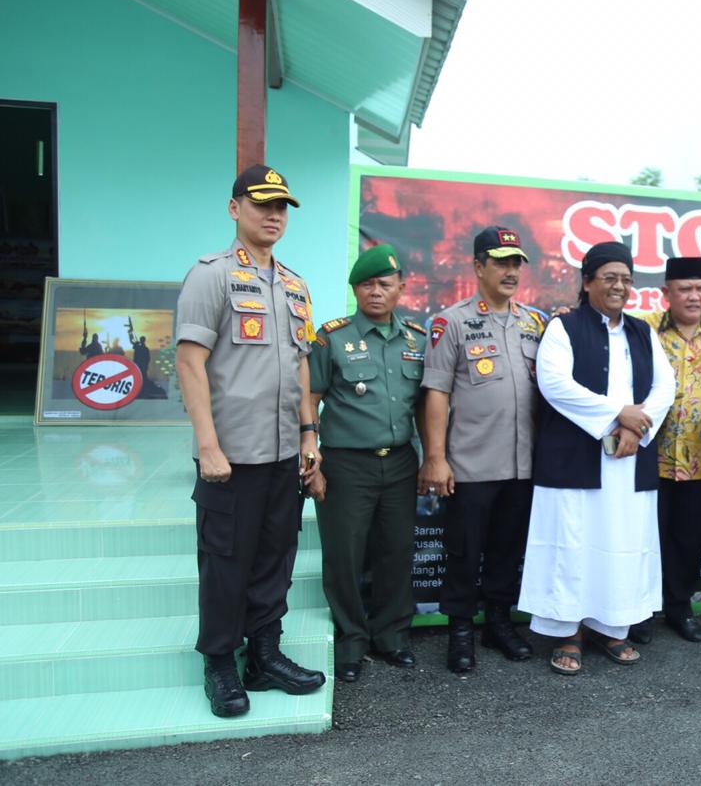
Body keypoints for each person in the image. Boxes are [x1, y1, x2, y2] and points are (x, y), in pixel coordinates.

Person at [175, 164, 325, 718]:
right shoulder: (210, 275)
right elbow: (189, 363)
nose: (273, 215)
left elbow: (301, 364)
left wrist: (309, 433)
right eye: (262, 204)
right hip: (231, 455)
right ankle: (219, 662)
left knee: (275, 557)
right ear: (235, 208)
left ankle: (264, 656)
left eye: (281, 206)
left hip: (284, 452)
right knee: (225, 560)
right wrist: (207, 446)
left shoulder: (295, 285)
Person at [517, 241, 675, 675]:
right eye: (609, 278)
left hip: (628, 458)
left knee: (622, 541)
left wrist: (635, 427)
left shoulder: (642, 332)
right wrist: (616, 414)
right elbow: (555, 384)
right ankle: (567, 631)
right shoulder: (563, 328)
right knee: (572, 542)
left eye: (626, 279)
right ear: (587, 283)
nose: (619, 286)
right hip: (574, 457)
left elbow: (665, 386)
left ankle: (612, 626)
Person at [420, 227, 545, 674]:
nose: (510, 271)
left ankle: (498, 622)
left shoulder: (535, 324)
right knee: (464, 552)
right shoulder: (451, 322)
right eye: (500, 262)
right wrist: (436, 458)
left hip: (523, 464)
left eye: (516, 263)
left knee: (508, 549)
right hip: (470, 464)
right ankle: (459, 630)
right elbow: (436, 392)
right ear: (478, 266)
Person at [307, 244, 426, 683]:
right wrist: (311, 454)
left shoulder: (416, 339)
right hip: (346, 464)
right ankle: (351, 640)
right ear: (355, 290)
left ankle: (391, 636)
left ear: (400, 288)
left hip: (400, 462)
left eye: (384, 284)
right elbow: (310, 397)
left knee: (396, 550)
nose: (375, 291)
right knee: (345, 554)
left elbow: (425, 406)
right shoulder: (332, 338)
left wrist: (432, 458)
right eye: (366, 284)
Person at [627, 256, 701, 645]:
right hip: (647, 456)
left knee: (688, 539)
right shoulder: (642, 329)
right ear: (666, 293)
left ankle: (679, 608)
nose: (694, 296)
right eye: (685, 289)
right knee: (645, 538)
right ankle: (640, 611)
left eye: (700, 288)